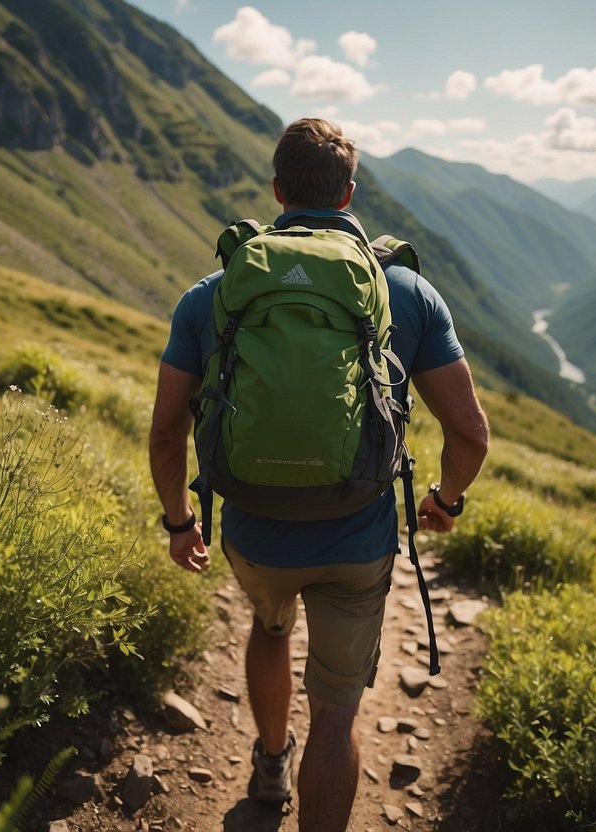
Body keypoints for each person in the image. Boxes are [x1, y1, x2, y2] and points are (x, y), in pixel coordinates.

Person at [148, 117, 489, 832]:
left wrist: (180, 522)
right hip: (357, 538)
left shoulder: (212, 293)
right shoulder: (404, 290)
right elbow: (469, 434)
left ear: (276, 191)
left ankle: (270, 760)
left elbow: (165, 430)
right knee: (337, 717)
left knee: (270, 632)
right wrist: (444, 502)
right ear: (349, 193)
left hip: (253, 530)